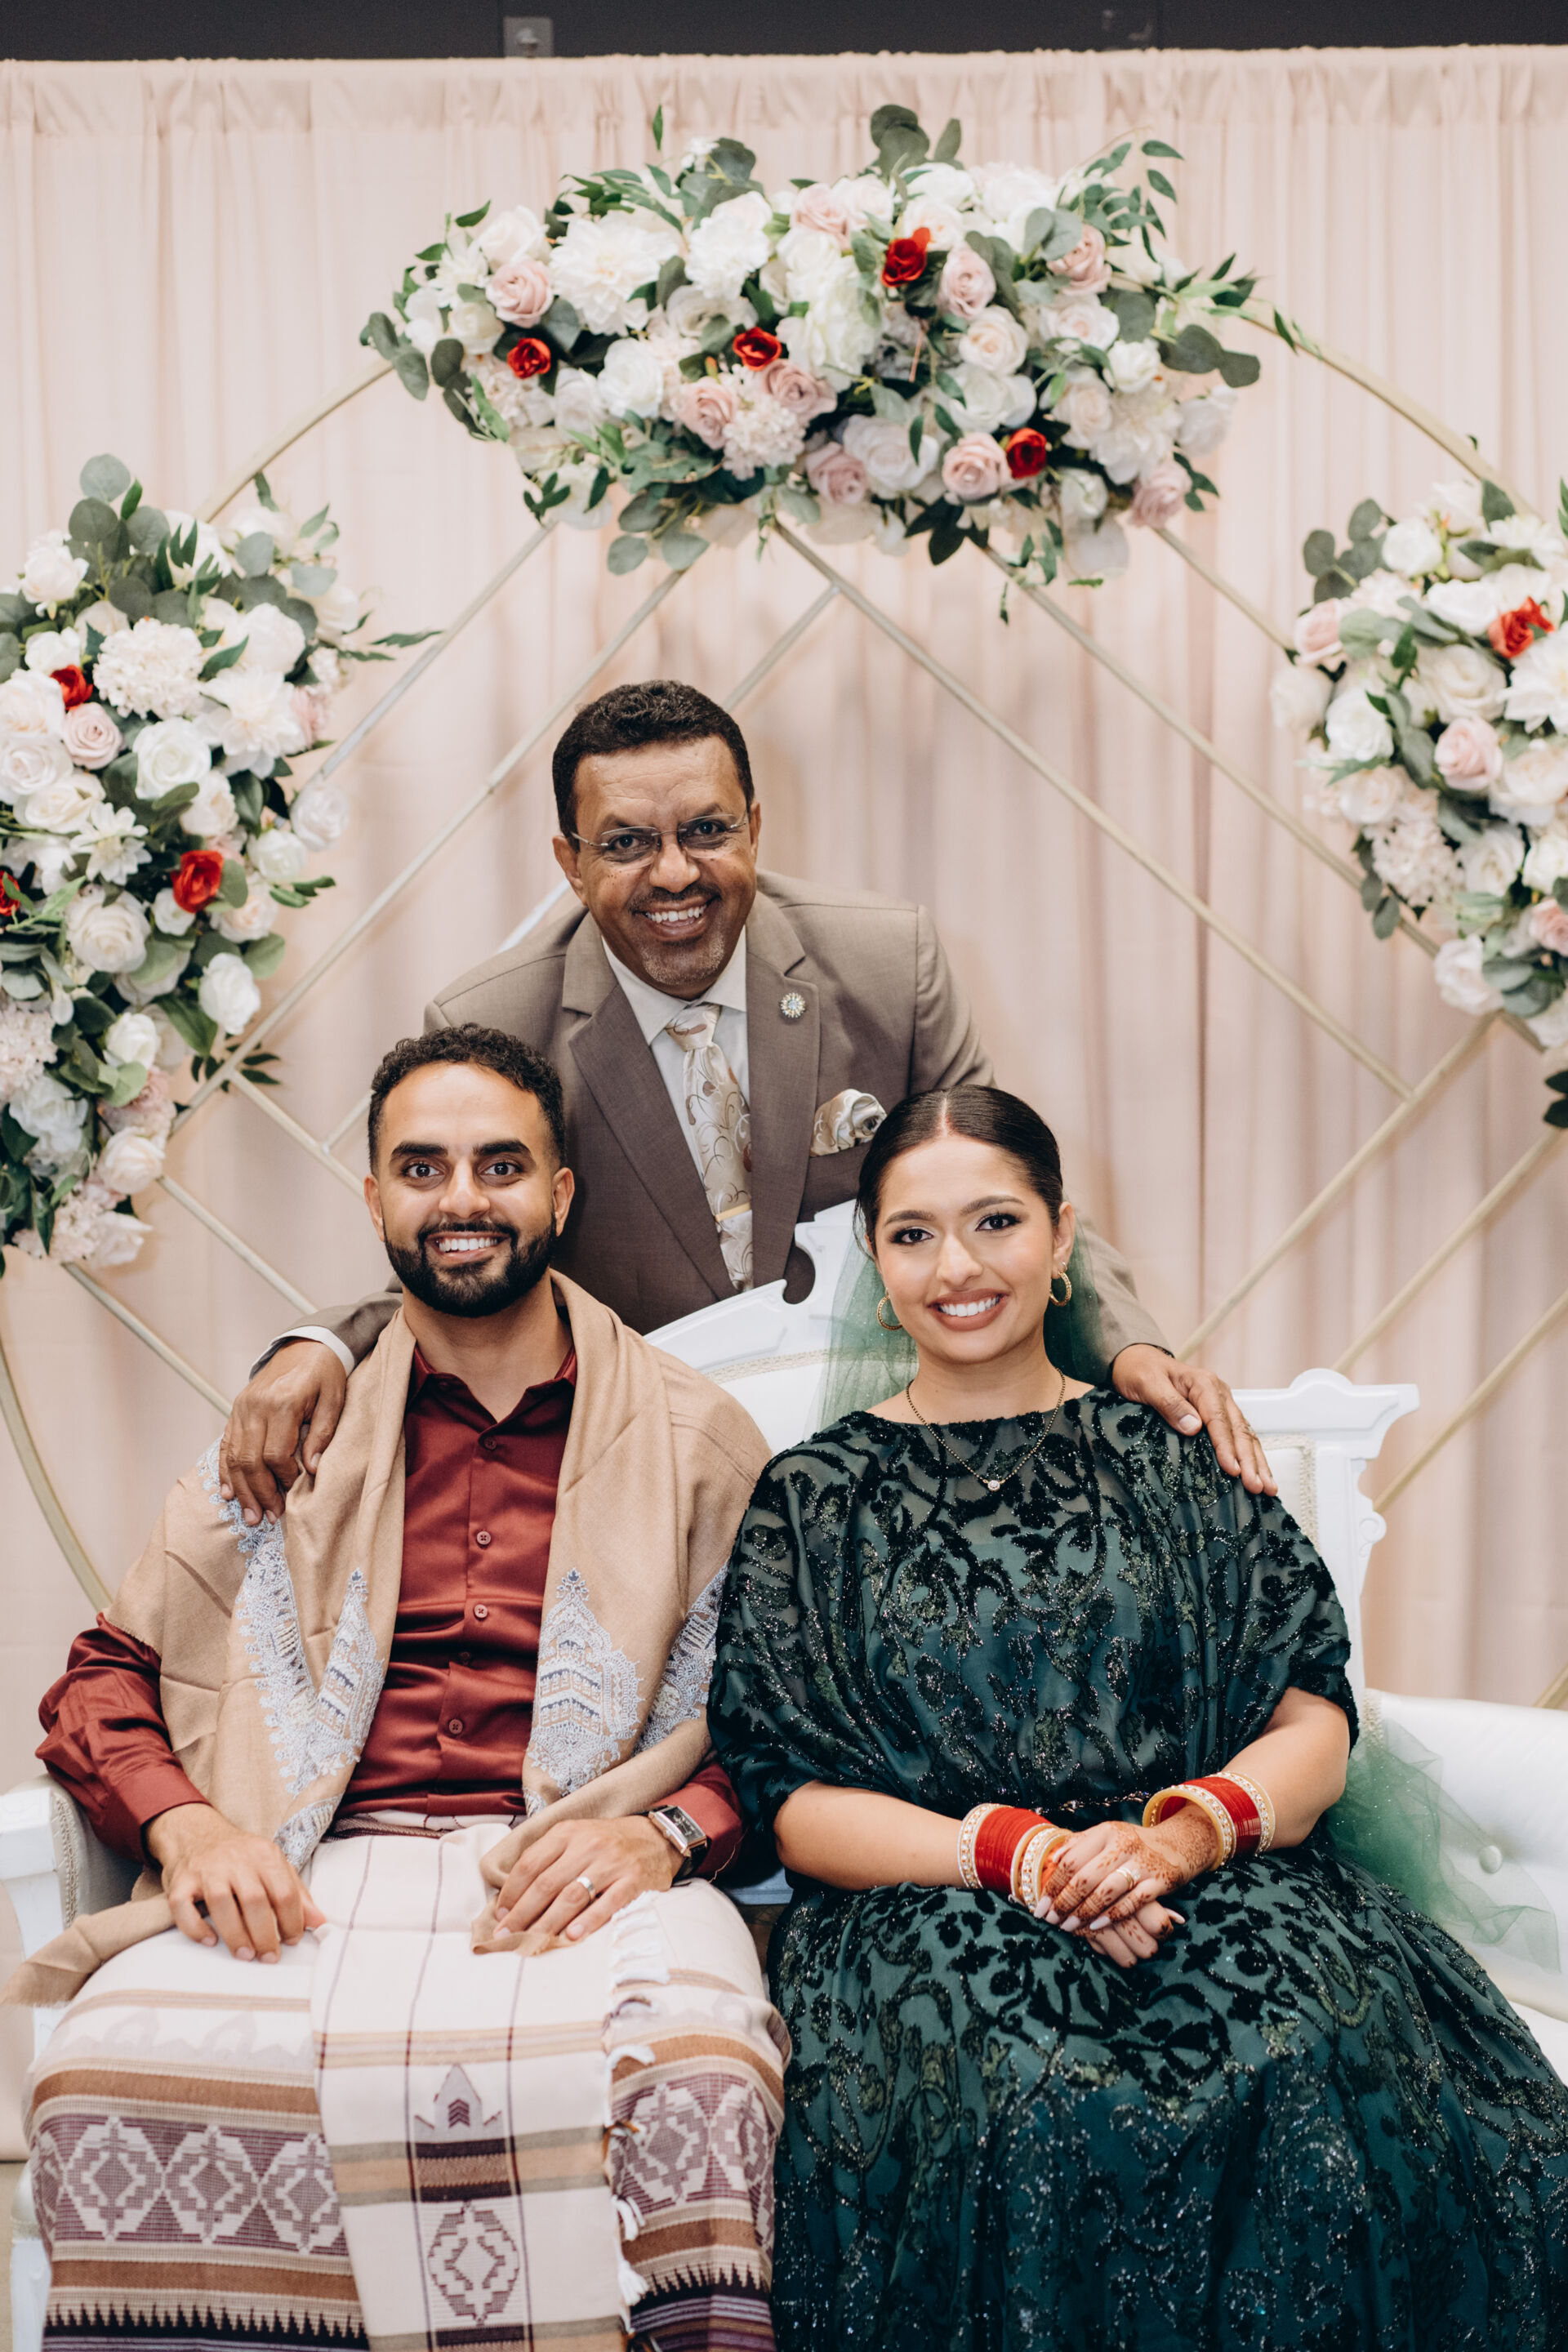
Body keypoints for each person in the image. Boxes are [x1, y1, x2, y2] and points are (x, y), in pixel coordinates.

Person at [706, 1084, 1568, 2352]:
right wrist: (1027, 1858)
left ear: (1063, 1237)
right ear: (875, 1265)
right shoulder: (813, 1497)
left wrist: (1176, 1839)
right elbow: (790, 1800)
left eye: (996, 1222)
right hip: (934, 1899)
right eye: (914, 1235)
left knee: (1299, 2049)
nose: (957, 1268)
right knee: (1031, 2091)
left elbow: (1313, 1717)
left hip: (1215, 1868)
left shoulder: (1179, 1454)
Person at [17, 1027, 787, 2352]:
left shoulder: (693, 1440)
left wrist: (665, 1833)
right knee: (97, 2075)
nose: (461, 1199)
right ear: (374, 1199)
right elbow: (108, 1675)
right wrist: (188, 1830)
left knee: (698, 2081)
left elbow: (789, 1716)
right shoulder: (289, 1436)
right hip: (309, 1866)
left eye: (501, 1166)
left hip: (578, 1870)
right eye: (422, 1169)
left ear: (561, 1193)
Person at [216, 678, 1272, 1527]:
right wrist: (322, 1345)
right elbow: (463, 1247)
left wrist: (1132, 1351)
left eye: (707, 830)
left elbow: (1003, 1200)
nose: (675, 873)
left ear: (756, 828)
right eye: (626, 842)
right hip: (649, 1487)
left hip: (892, 1467)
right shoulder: (497, 1020)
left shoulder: (886, 966)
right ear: (569, 863)